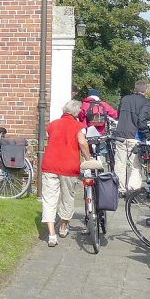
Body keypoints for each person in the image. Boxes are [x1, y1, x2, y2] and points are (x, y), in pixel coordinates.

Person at [41, 100, 94, 247]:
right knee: (67, 197)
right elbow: (82, 143)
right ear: (77, 113)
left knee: (49, 199)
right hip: (69, 167)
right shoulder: (79, 127)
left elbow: (50, 138)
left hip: (50, 165)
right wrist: (89, 158)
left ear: (64, 110)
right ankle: (63, 227)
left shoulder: (52, 124)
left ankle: (51, 235)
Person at [113, 80, 150, 195]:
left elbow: (119, 115)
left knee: (120, 163)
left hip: (120, 135)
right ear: (145, 90)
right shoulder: (146, 102)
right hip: (134, 137)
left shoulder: (125, 99)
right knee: (136, 164)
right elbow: (142, 121)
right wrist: (147, 134)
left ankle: (120, 189)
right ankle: (133, 190)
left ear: (135, 89)